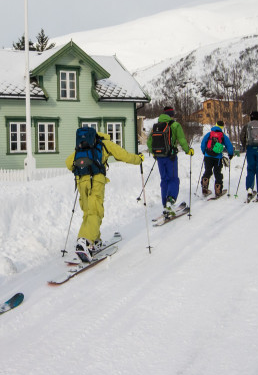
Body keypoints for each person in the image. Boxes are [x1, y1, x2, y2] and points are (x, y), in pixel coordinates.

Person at [65, 128, 144, 261]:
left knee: (88, 211)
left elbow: (68, 163)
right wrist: (138, 159)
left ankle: (94, 240)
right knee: (96, 211)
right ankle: (85, 241)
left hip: (81, 180)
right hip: (96, 179)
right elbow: (123, 155)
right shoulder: (105, 143)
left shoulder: (82, 147)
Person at [148, 106, 194, 218]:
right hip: (171, 157)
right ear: (172, 115)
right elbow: (182, 139)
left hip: (159, 157)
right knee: (173, 179)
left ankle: (165, 204)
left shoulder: (156, 127)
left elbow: (149, 143)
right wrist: (188, 151)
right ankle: (171, 201)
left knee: (164, 180)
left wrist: (154, 153)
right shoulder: (175, 125)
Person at [199, 120, 234, 198]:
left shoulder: (209, 134)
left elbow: (203, 143)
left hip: (208, 156)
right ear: (222, 127)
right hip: (217, 157)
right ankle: (218, 191)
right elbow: (229, 145)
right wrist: (230, 154)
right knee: (217, 173)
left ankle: (204, 187)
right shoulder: (222, 135)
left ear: (215, 125)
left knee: (208, 171)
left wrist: (204, 151)